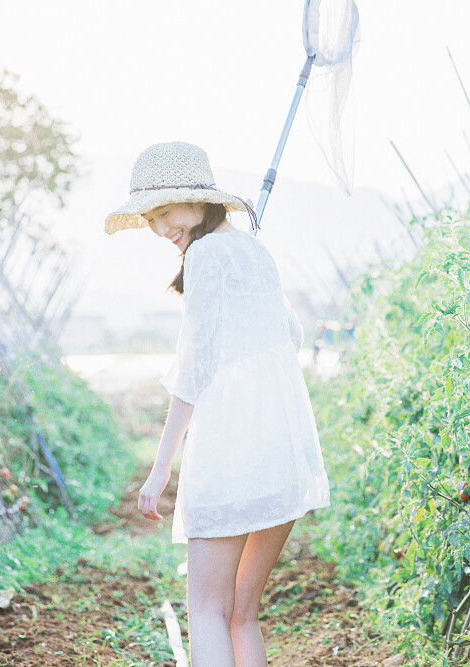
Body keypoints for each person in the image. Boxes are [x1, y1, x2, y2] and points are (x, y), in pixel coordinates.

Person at [104, 141, 331, 666]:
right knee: (241, 614)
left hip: (233, 452)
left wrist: (160, 470)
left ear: (195, 200)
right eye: (152, 221)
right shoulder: (256, 251)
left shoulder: (205, 256)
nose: (161, 230)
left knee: (207, 610)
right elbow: (290, 335)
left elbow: (193, 370)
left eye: (163, 214)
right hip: (285, 451)